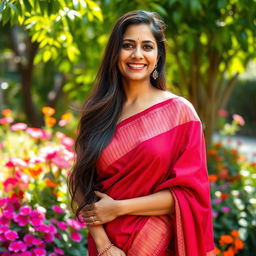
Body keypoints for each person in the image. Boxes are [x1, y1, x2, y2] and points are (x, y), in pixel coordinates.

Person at [68, 10, 215, 256]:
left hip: (159, 244)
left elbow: (191, 194)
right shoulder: (97, 113)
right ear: (115, 53)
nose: (137, 54)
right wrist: (104, 246)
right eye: (128, 45)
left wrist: (118, 208)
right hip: (108, 247)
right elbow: (83, 182)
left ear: (158, 56)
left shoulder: (180, 113)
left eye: (147, 46)